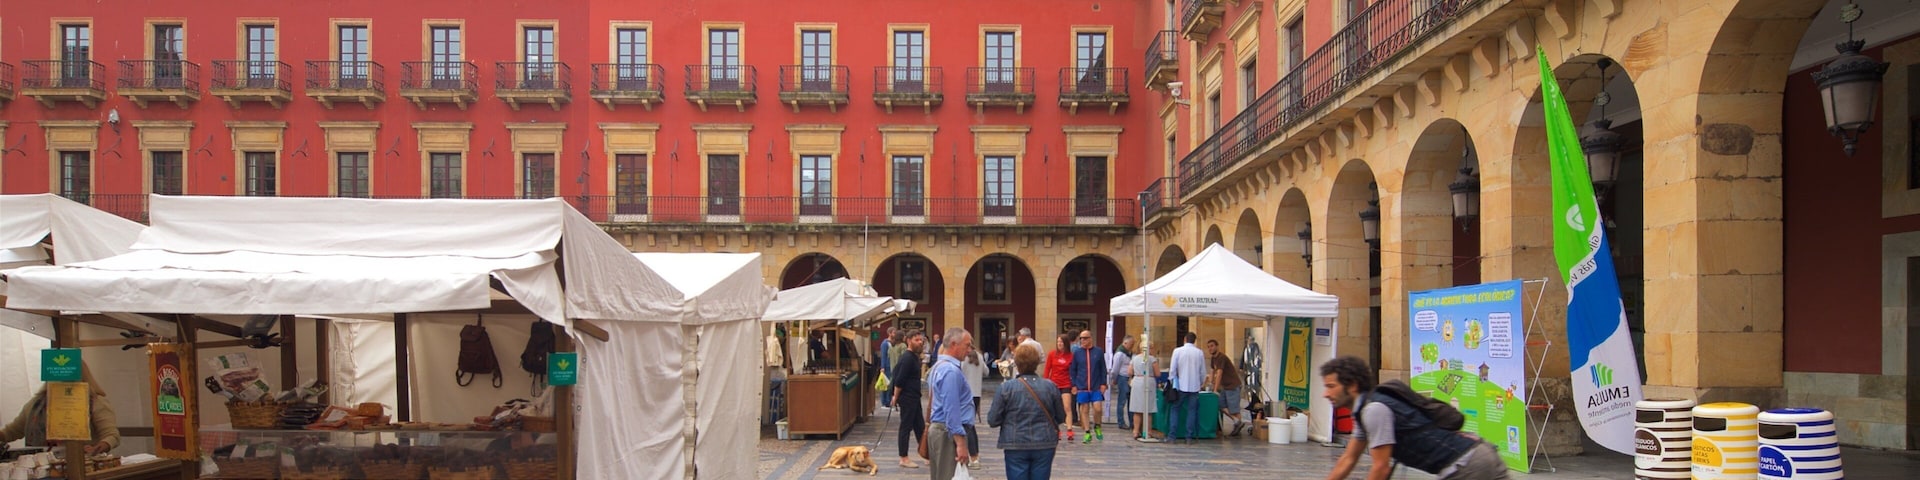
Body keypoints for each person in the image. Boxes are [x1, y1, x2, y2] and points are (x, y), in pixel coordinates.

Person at [1320, 356, 1510, 480]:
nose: (1325, 394)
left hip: (1466, 466)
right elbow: (1348, 458)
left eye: (1330, 386)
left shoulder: (1373, 410)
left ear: (1352, 385)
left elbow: (1381, 467)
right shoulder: (1364, 410)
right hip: (1479, 454)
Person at [0, 365, 120, 456]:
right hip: (42, 467)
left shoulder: (95, 403)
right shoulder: (36, 405)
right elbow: (12, 432)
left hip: (83, 467)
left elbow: (111, 436)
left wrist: (97, 448)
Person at [987, 343, 1066, 480]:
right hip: (1044, 441)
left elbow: (993, 420)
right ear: (1037, 363)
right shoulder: (1050, 386)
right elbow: (1060, 417)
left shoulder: (1006, 388)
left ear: (1016, 363)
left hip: (1015, 442)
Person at [926, 327, 977, 480]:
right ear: (954, 344)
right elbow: (951, 409)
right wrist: (960, 443)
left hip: (941, 430)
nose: (969, 350)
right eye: (967, 345)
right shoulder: (950, 371)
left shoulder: (938, 367)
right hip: (947, 433)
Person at [891, 330, 928, 469]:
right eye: (917, 340)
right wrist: (895, 396)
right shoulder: (907, 357)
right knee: (906, 427)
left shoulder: (913, 357)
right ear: (909, 341)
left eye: (921, 340)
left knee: (919, 426)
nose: (920, 342)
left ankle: (925, 453)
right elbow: (899, 380)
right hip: (907, 397)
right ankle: (904, 457)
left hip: (915, 396)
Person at [1067, 330, 1108, 443]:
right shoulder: (1077, 353)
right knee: (1084, 409)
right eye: (1081, 338)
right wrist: (1074, 384)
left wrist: (1103, 383)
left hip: (1095, 386)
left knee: (1097, 408)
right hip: (1082, 386)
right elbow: (1073, 370)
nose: (1082, 340)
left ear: (1090, 338)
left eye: (1085, 338)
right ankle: (1087, 432)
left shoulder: (1098, 352)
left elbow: (1103, 369)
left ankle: (1097, 425)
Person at [1166, 331, 1206, 444]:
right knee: (1192, 411)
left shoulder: (1178, 351)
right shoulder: (1199, 353)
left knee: (1175, 409)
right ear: (1195, 340)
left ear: (1184, 339)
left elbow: (1173, 369)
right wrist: (1201, 382)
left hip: (1180, 385)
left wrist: (1171, 381)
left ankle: (1172, 436)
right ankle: (1189, 436)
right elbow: (1202, 371)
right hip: (1194, 386)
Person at [1206, 339, 1247, 436]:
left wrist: (1215, 389)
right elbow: (1212, 371)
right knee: (1220, 404)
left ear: (1217, 346)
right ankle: (1236, 421)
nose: (1210, 348)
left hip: (1232, 385)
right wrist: (1210, 384)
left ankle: (1237, 426)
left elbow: (1219, 373)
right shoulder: (1213, 359)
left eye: (1212, 346)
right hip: (1225, 386)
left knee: (1234, 408)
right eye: (1208, 347)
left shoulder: (1222, 358)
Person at [1043, 333, 1076, 441]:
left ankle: (1070, 429)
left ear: (1066, 343)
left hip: (1066, 384)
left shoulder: (1071, 356)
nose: (1059, 344)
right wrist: (1045, 381)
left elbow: (1074, 371)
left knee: (1067, 407)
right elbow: (1047, 369)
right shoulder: (1052, 354)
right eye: (1058, 342)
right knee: (1053, 408)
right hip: (1053, 383)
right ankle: (1056, 430)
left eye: (1061, 342)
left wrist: (1074, 384)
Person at [1128, 337, 1161, 442]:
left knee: (1137, 409)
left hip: (1137, 381)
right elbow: (1157, 373)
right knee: (1148, 409)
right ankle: (1148, 431)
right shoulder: (1152, 359)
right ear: (1150, 348)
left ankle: (1135, 431)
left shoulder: (1135, 358)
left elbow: (1129, 372)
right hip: (1148, 381)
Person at [962, 346, 988, 469]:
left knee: (968, 426)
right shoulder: (979, 356)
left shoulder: (963, 358)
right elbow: (986, 372)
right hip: (976, 393)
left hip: (965, 394)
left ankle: (973, 457)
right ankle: (975, 454)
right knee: (971, 424)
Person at [1109, 335, 1135, 430]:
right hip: (1122, 377)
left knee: (1131, 401)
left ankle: (1132, 422)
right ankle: (1121, 422)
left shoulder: (1129, 353)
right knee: (1122, 401)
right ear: (1125, 343)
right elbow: (1115, 368)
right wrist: (1114, 378)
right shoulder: (1120, 354)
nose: (1132, 346)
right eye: (1131, 344)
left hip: (1129, 377)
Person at [879, 327, 898, 408]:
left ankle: (888, 400)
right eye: (894, 333)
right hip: (886, 366)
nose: (895, 334)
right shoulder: (885, 343)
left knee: (890, 384)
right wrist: (882, 367)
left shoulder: (893, 343)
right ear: (889, 333)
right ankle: (884, 401)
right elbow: (883, 355)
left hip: (891, 366)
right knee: (886, 384)